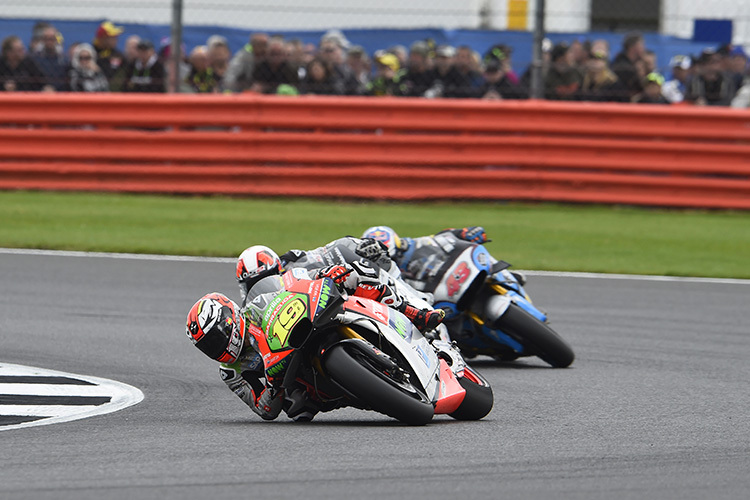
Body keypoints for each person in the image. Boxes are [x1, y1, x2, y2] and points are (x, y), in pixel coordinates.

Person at [236, 243, 445, 334]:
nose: (260, 284)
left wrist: (356, 246)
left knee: (358, 274)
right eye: (252, 283)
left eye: (267, 276)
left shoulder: (294, 262)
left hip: (320, 303)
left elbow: (326, 252)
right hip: (291, 335)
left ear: (277, 268)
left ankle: (413, 312)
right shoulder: (249, 311)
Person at [30, 25, 68, 91]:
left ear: (56, 40)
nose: (49, 42)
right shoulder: (35, 59)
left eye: (52, 39)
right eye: (47, 39)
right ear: (43, 40)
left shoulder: (63, 60)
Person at [610, 32, 646, 100]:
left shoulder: (636, 65)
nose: (644, 48)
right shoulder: (622, 68)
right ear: (633, 47)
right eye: (641, 45)